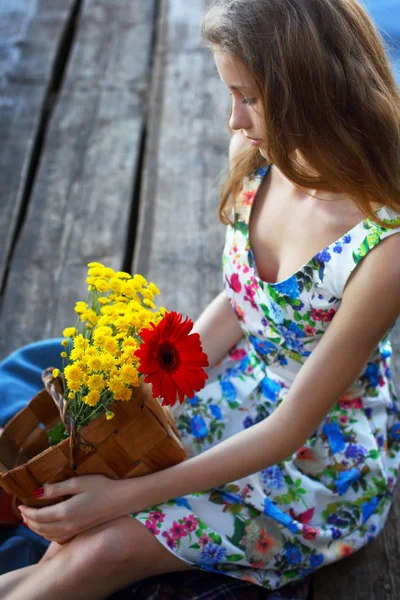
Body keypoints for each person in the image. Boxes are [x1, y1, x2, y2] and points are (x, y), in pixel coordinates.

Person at [2, 0, 400, 598]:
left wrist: (124, 498)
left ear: (309, 93)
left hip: (315, 465)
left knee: (104, 545)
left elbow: (292, 429)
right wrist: (152, 380)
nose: (234, 120)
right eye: (230, 94)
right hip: (239, 391)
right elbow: (241, 300)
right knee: (72, 530)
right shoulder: (264, 165)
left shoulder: (382, 250)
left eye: (248, 97)